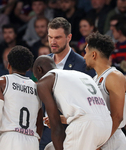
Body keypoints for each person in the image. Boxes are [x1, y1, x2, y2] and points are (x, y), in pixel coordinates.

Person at [33, 55, 112, 150]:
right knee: (50, 148)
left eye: (37, 77)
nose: (39, 80)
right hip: (107, 125)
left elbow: (56, 126)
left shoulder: (45, 82)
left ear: (39, 69)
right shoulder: (80, 75)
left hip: (85, 127)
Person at [40, 16, 95, 150]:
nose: (52, 42)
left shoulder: (83, 65)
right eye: (50, 37)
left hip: (71, 129)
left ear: (69, 37)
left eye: (57, 37)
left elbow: (90, 101)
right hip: (46, 129)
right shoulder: (42, 62)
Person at [0, 45, 43, 150]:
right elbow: (39, 121)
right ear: (28, 68)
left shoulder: (0, 82)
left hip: (10, 137)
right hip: (32, 140)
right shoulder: (37, 87)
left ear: (8, 65)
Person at [84, 32, 126, 150]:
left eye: (86, 53)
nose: (84, 57)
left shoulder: (114, 76)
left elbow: (117, 116)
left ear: (93, 55)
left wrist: (100, 143)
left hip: (112, 139)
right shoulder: (94, 79)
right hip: (100, 137)